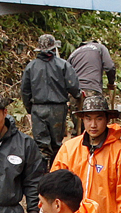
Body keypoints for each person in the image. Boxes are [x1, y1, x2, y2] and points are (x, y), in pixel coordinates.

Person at [51, 94, 121, 213]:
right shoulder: (69, 149)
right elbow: (54, 184)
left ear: (107, 119)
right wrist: (49, 209)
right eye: (88, 118)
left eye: (98, 118)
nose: (93, 124)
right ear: (82, 119)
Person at [20, 34, 79, 165]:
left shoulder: (31, 67)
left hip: (38, 108)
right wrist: (79, 96)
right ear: (54, 49)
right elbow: (73, 86)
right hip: (58, 109)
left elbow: (25, 90)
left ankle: (41, 174)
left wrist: (30, 109)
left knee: (41, 146)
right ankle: (55, 171)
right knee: (57, 144)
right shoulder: (63, 65)